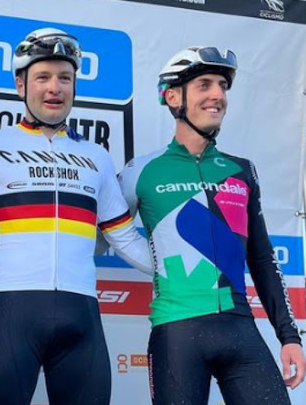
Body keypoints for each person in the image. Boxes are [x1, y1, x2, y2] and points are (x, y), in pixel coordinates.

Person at [0, 28, 153, 405]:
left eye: (65, 78)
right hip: (11, 312)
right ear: (21, 85)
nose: (55, 87)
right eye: (43, 77)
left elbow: (126, 238)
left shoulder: (96, 157)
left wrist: (189, 275)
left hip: (81, 312)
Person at [118, 46, 306, 404]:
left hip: (240, 327)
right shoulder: (140, 171)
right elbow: (102, 230)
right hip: (176, 331)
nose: (218, 95)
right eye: (204, 85)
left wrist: (289, 337)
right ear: (173, 97)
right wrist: (154, 262)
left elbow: (263, 259)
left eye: (222, 85)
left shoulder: (242, 170)